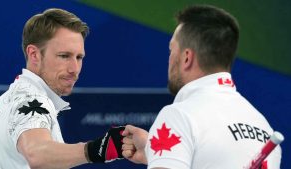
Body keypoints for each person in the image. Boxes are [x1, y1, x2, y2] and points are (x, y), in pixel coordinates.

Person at [121, 4, 282, 169]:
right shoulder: (264, 127)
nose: (169, 60)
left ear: (186, 58)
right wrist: (158, 153)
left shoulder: (179, 117)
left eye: (171, 50)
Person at [0, 8, 124, 168]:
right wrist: (97, 149)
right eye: (64, 56)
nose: (74, 68)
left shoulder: (10, 98)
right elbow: (37, 153)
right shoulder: (31, 99)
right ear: (34, 54)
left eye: (79, 57)